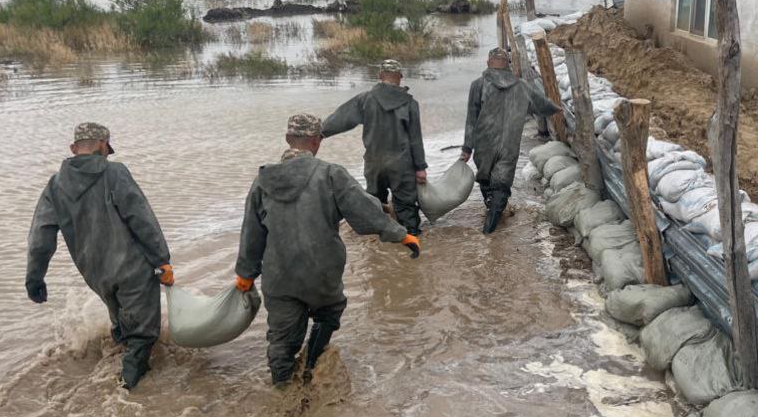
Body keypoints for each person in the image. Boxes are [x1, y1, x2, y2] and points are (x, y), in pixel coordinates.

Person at [234, 113, 422, 387]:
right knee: (330, 311)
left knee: (282, 340)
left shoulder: (263, 181)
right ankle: (311, 364)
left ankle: (283, 396)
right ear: (317, 141)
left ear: (288, 139)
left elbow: (251, 232)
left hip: (279, 278)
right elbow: (364, 209)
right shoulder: (330, 174)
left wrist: (245, 274)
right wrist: (403, 235)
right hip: (321, 273)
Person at [26, 122, 173, 390]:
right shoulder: (115, 172)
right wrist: (162, 260)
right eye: (107, 149)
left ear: (73, 148)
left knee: (120, 325)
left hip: (96, 275)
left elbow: (40, 236)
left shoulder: (55, 185)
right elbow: (141, 219)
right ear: (104, 145)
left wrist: (34, 277)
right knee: (143, 334)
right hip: (133, 269)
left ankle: (120, 367)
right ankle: (129, 391)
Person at [461, 46, 561, 234]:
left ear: (488, 63)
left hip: (484, 144)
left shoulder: (479, 84)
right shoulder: (522, 86)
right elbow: (543, 105)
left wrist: (467, 148)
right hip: (509, 144)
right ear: (507, 64)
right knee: (502, 184)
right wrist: (558, 109)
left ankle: (490, 219)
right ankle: (491, 227)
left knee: (486, 179)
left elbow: (471, 119)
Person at [321, 60, 427, 234]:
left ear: (379, 76)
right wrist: (420, 168)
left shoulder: (365, 99)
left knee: (374, 203)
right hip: (401, 164)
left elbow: (342, 118)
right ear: (400, 77)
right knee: (406, 205)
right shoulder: (410, 103)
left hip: (374, 163)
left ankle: (378, 242)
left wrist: (320, 133)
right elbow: (416, 138)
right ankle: (412, 241)